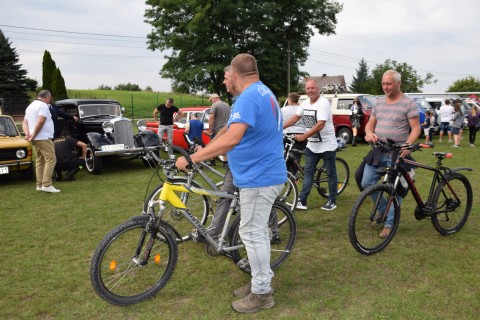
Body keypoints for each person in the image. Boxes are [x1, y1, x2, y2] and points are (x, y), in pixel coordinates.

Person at [176, 53, 286, 313]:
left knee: (252, 232)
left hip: (259, 177)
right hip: (257, 174)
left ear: (236, 75)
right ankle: (259, 280)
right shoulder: (262, 92)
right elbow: (226, 132)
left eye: (227, 78)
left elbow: (232, 139)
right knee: (254, 231)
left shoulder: (248, 97)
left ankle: (262, 293)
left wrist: (192, 158)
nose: (225, 83)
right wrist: (206, 149)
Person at [361, 70, 421, 239]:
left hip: (398, 154)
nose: (385, 87)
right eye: (383, 84)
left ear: (398, 83)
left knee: (397, 191)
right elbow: (369, 126)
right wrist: (368, 133)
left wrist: (408, 145)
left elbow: (416, 128)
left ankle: (389, 224)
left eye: (389, 84)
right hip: (379, 151)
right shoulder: (379, 103)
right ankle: (384, 211)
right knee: (366, 182)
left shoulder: (408, 103)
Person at [283, 78, 338, 211]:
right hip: (313, 145)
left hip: (327, 145)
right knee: (308, 173)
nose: (310, 91)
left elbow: (321, 124)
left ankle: (332, 200)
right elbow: (296, 117)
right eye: (308, 88)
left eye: (313, 88)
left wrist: (304, 136)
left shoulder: (323, 103)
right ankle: (302, 200)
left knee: (331, 173)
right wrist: (279, 127)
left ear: (318, 89)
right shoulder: (305, 103)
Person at [22, 90, 60, 193]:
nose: (50, 100)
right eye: (50, 98)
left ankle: (39, 185)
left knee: (40, 160)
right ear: (47, 97)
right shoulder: (43, 106)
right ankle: (46, 185)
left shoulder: (30, 106)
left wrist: (27, 134)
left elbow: (25, 122)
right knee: (51, 159)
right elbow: (41, 121)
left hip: (35, 138)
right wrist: (33, 134)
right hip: (43, 137)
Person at [282, 92, 306, 177]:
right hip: (300, 134)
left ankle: (289, 175)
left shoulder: (283, 110)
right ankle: (295, 175)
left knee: (286, 156)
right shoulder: (302, 108)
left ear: (289, 99)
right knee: (296, 157)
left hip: (286, 134)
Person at [206, 93, 231, 166]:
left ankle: (212, 161)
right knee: (225, 145)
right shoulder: (227, 105)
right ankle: (225, 162)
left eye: (211, 100)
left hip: (217, 129)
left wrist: (210, 129)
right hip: (226, 129)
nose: (211, 102)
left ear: (214, 98)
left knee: (212, 145)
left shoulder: (215, 105)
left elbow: (211, 117)